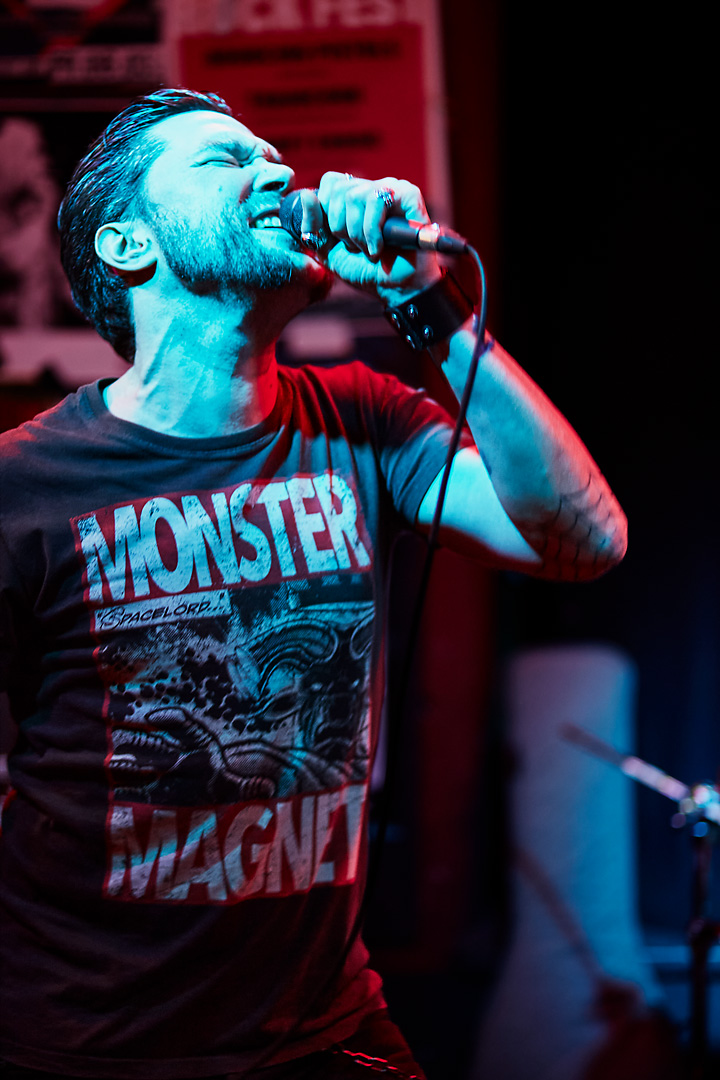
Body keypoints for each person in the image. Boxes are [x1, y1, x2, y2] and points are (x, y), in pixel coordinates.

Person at [0, 89, 627, 1080]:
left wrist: (435, 310)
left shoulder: (361, 421)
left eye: (271, 153)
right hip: (89, 1047)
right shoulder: (23, 486)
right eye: (223, 160)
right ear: (129, 246)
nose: (277, 173)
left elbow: (583, 540)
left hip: (320, 1032)